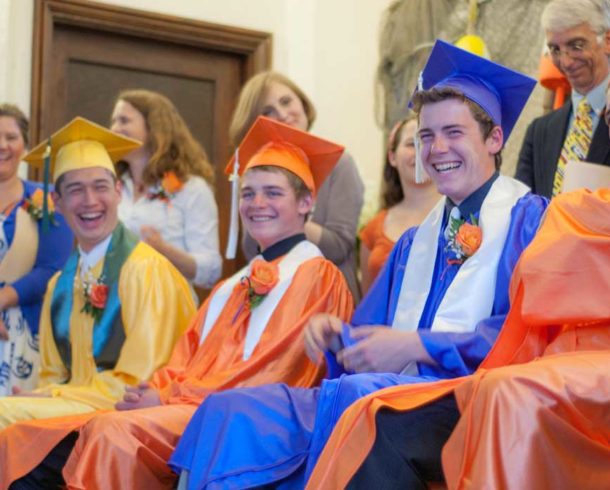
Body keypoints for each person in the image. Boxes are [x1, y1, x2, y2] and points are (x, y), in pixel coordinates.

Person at [306, 22, 610, 490]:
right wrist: (345, 339)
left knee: (495, 392)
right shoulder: (416, 241)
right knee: (378, 413)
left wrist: (554, 220)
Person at [168, 40, 547, 490]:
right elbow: (373, 337)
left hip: (470, 398)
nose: (436, 148)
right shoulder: (414, 243)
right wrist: (340, 337)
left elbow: (525, 335)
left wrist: (417, 346)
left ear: (495, 138)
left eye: (454, 132)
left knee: (357, 402)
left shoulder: (528, 219)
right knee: (229, 408)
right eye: (426, 135)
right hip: (390, 392)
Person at [1, 116, 355, 489]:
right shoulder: (231, 286)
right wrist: (154, 389)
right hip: (195, 409)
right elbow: (185, 357)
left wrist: (165, 395)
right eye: (248, 193)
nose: (257, 203)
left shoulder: (316, 275)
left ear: (306, 202)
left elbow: (270, 373)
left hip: (247, 422)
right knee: (56, 445)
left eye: (273, 192)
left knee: (110, 432)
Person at [0, 117, 195, 435]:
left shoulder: (146, 271)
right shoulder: (59, 285)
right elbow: (52, 374)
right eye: (75, 190)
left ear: (118, 192)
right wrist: (44, 395)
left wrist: (52, 396)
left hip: (127, 424)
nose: (90, 201)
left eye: (100, 186)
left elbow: (138, 383)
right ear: (57, 203)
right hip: (79, 416)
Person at [233, 71, 365, 300]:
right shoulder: (253, 173)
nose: (283, 114)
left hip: (327, 298)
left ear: (302, 102)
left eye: (286, 101)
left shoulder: (339, 164)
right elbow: (251, 249)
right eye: (267, 112)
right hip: (271, 295)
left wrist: (289, 212)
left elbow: (338, 247)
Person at [110, 89, 222, 289]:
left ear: (154, 129)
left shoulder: (193, 189)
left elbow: (211, 272)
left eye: (124, 121)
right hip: (114, 306)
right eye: (114, 121)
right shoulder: (111, 185)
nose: (114, 129)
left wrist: (164, 250)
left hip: (168, 307)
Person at [0, 104, 73, 396]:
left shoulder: (45, 198)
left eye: (11, 137)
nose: (2, 145)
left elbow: (53, 268)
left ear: (25, 146)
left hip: (25, 331)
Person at [514, 0, 610, 198]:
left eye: (576, 45)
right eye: (555, 49)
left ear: (608, 41)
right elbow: (523, 210)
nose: (566, 61)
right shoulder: (539, 132)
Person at [359, 116, 440, 293]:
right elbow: (366, 304)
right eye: (411, 144)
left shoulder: (460, 213)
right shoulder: (373, 229)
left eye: (427, 141)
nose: (420, 151)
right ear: (392, 156)